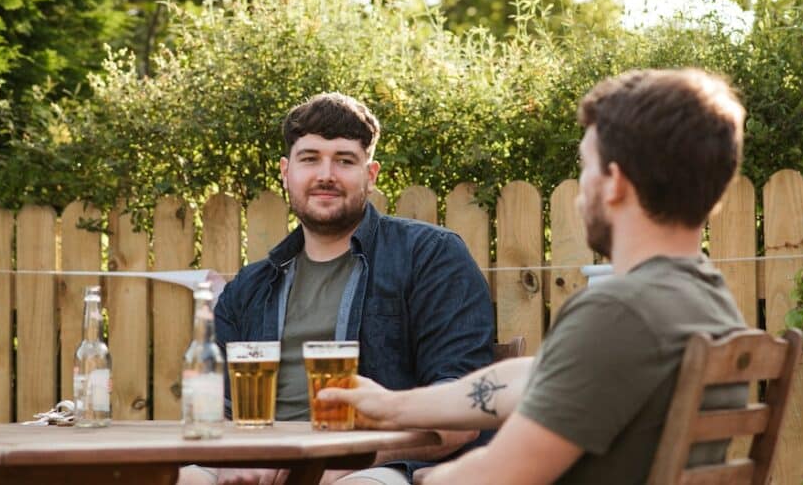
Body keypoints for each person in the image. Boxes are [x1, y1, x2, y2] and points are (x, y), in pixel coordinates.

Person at [319, 68, 750, 484]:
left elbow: (494, 476)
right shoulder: (703, 300)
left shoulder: (620, 313)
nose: (580, 192)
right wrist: (391, 406)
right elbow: (530, 377)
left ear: (615, 183)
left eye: (586, 167)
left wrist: (432, 477)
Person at [180, 92, 496, 485]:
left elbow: (463, 411)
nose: (325, 175)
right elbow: (214, 410)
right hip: (260, 463)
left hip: (378, 465)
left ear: (371, 174)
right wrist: (235, 457)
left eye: (344, 160)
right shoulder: (250, 287)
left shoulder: (429, 256)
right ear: (286, 172)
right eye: (310, 158)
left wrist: (344, 461)